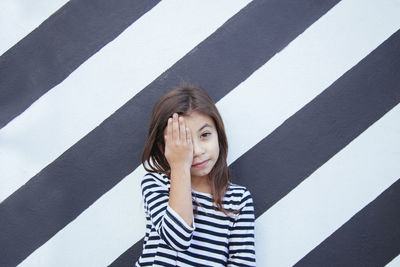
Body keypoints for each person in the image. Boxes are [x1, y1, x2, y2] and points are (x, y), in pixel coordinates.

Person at [136, 85, 256, 266]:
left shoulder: (238, 199)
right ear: (164, 148)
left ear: (219, 134)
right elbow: (178, 238)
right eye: (184, 141)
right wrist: (179, 165)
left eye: (205, 135)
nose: (198, 151)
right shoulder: (156, 183)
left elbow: (243, 262)